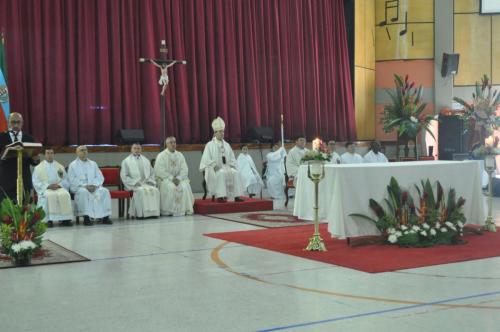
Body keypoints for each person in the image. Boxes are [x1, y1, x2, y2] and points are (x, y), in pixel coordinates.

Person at [199, 117, 244, 202]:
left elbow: (232, 158)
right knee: (221, 174)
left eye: (223, 131)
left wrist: (232, 165)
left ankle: (236, 196)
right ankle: (220, 196)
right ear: (215, 133)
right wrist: (214, 165)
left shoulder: (227, 145)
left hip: (227, 167)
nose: (222, 133)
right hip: (215, 168)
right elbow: (206, 159)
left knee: (236, 173)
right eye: (220, 131)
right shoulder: (209, 145)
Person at [67, 145, 112, 226]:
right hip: (80, 187)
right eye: (82, 150)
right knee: (84, 193)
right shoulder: (73, 165)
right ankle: (86, 217)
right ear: (77, 153)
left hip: (94, 186)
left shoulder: (93, 164)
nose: (84, 151)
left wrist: (95, 185)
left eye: (85, 150)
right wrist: (85, 186)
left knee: (105, 191)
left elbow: (99, 177)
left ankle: (105, 217)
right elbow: (72, 179)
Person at [0, 113, 40, 202]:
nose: (16, 124)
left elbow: (33, 162)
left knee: (24, 209)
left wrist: (36, 160)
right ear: (8, 123)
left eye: (18, 122)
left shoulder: (29, 138)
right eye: (13, 122)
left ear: (22, 123)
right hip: (6, 179)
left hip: (24, 178)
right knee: (6, 209)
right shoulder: (1, 137)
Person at [32, 147, 73, 227]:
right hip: (46, 188)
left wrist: (59, 185)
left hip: (59, 188)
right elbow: (36, 182)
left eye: (51, 153)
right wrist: (48, 186)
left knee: (65, 194)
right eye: (48, 153)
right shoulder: (38, 168)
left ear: (54, 154)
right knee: (49, 196)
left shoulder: (59, 167)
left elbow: (66, 179)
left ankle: (65, 219)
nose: (50, 155)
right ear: (44, 155)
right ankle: (48, 220)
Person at [155, 136, 194, 216]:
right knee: (171, 187)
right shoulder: (161, 156)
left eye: (174, 142)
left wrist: (179, 178)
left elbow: (184, 169)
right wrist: (172, 178)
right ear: (166, 144)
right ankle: (169, 210)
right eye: (171, 142)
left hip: (179, 179)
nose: (173, 144)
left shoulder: (180, 155)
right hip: (166, 179)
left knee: (185, 186)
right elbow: (159, 170)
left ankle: (185, 209)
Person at [120, 143, 160, 218]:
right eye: (134, 148)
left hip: (146, 183)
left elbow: (152, 173)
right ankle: (141, 214)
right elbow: (124, 176)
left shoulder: (146, 160)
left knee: (155, 190)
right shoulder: (126, 161)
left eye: (138, 148)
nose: (136, 150)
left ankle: (153, 214)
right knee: (141, 191)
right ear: (131, 150)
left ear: (141, 150)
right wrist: (134, 182)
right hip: (135, 184)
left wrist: (150, 181)